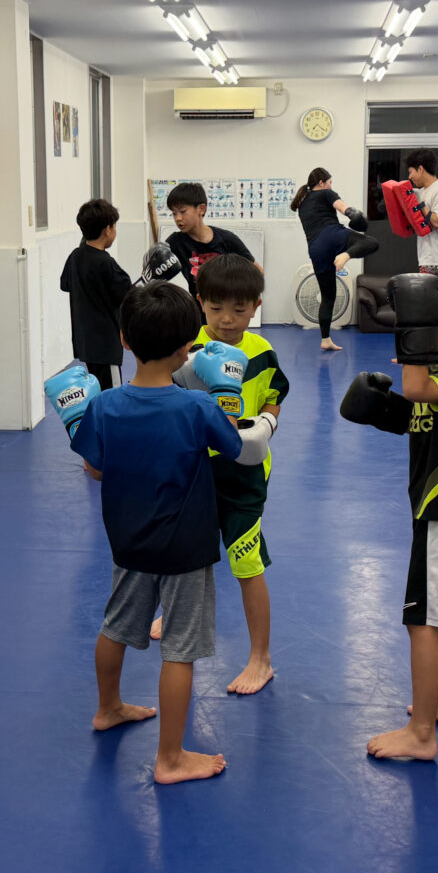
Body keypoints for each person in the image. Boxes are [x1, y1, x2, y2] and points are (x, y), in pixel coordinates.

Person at [70, 281, 248, 784]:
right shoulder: (197, 408)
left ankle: (108, 708)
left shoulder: (104, 406)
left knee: (115, 627)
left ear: (124, 339)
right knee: (180, 649)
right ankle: (170, 758)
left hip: (129, 542)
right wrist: (225, 393)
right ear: (186, 348)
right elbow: (235, 448)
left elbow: (95, 469)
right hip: (185, 548)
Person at [340, 269, 438, 760]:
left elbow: (419, 389)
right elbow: (418, 418)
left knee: (421, 619)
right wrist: (380, 409)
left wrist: (412, 355)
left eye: (423, 330)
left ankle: (421, 734)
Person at [151, 254, 289, 696]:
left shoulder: (261, 352)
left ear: (256, 306)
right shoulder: (184, 348)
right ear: (200, 303)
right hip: (192, 467)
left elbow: (274, 397)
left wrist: (266, 425)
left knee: (246, 563)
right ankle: (172, 612)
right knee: (184, 553)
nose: (227, 319)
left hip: (243, 474)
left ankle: (261, 658)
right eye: (215, 308)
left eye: (239, 309)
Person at [290, 167, 379, 351]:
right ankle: (345, 255)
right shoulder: (326, 193)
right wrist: (357, 218)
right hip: (333, 236)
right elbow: (347, 210)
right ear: (321, 183)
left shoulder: (302, 203)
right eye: (330, 182)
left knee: (327, 297)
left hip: (316, 250)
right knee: (372, 242)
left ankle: (325, 340)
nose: (331, 185)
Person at [60, 199, 131, 391]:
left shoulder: (75, 256)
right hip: (106, 345)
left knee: (97, 390)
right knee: (112, 393)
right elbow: (128, 296)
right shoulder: (105, 262)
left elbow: (65, 285)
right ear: (107, 229)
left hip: (85, 340)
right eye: (114, 226)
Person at [166, 182, 263, 301]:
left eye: (183, 211)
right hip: (198, 307)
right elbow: (153, 277)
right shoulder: (175, 242)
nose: (178, 218)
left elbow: (258, 272)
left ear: (201, 209)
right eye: (174, 213)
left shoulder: (227, 239)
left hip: (227, 306)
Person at [404, 149, 438, 273]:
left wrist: (421, 205)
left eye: (411, 172)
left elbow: (436, 222)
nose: (410, 177)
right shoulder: (419, 192)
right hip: (425, 259)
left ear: (420, 169)